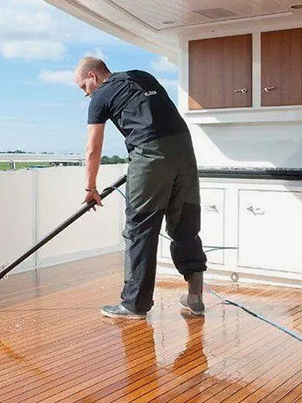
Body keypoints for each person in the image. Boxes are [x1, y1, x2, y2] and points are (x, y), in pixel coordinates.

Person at [74, 57, 207, 319]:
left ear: (93, 76)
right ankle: (195, 297)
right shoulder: (143, 75)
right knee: (186, 224)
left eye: (83, 87)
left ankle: (134, 304)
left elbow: (93, 148)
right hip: (184, 151)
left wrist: (90, 187)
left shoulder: (100, 95)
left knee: (140, 229)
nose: (85, 93)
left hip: (149, 155)